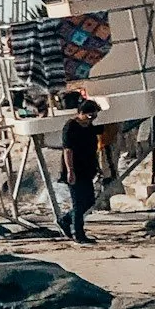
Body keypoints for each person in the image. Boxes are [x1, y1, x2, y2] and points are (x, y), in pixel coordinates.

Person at [57, 100, 101, 244]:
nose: (92, 118)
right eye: (89, 116)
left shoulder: (89, 127)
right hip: (74, 168)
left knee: (89, 201)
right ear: (81, 113)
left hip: (87, 168)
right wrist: (70, 170)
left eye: (94, 115)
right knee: (78, 202)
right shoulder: (70, 127)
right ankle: (79, 233)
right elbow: (67, 150)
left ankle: (65, 220)